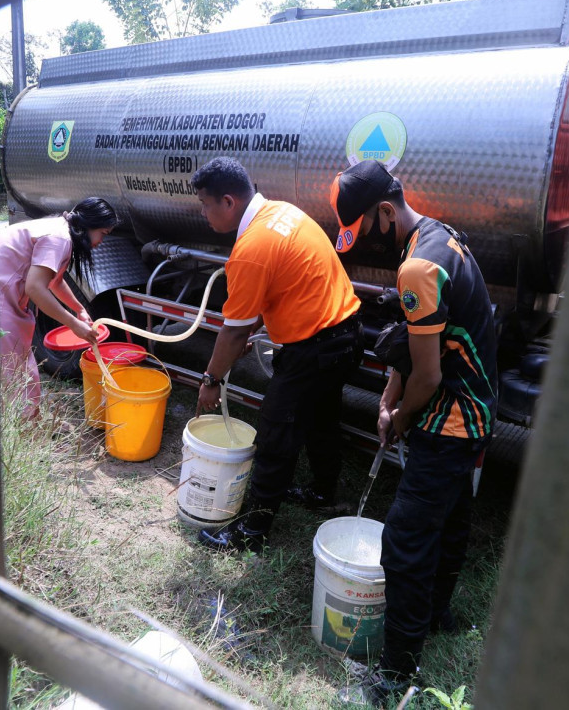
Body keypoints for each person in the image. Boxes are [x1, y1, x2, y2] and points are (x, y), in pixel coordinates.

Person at [330, 160, 498, 705]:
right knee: (450, 518)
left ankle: (395, 672)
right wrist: (385, 399)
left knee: (403, 541)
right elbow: (418, 341)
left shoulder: (419, 268)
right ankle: (438, 614)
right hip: (472, 410)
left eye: (365, 231)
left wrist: (400, 422)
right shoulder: (437, 236)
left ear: (385, 210)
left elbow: (427, 375)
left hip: (454, 417)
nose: (364, 246)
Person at [191, 156, 363, 553]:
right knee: (322, 419)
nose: (203, 214)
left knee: (275, 433)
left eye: (205, 204)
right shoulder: (283, 211)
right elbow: (282, 289)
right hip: (347, 335)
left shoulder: (251, 247)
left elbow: (231, 333)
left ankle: (251, 532)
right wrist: (248, 329)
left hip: (316, 348)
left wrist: (211, 381)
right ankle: (323, 493)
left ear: (229, 202)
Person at [0, 197, 115, 415]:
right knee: (9, 380)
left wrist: (79, 310)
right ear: (89, 225)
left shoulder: (60, 229)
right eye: (103, 234)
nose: (100, 242)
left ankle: (28, 430)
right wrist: (73, 324)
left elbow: (54, 282)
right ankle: (17, 437)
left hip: (1, 297)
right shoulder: (59, 238)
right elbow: (35, 288)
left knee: (25, 374)